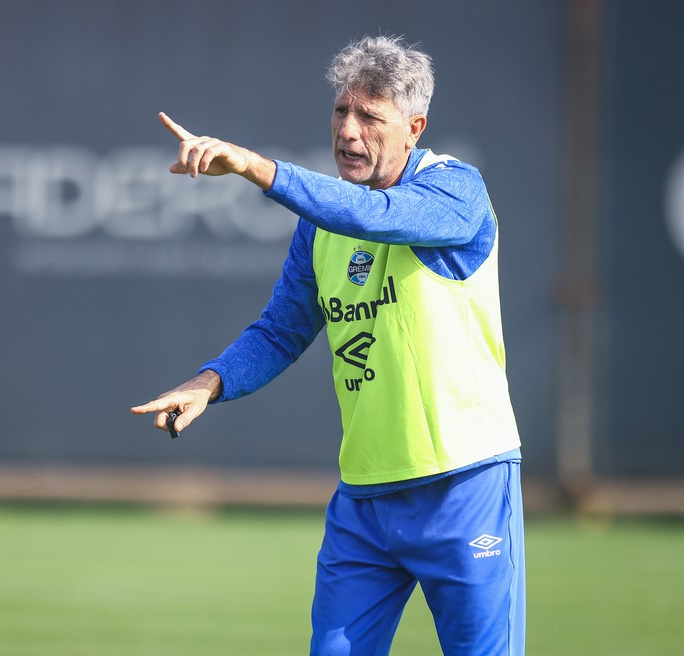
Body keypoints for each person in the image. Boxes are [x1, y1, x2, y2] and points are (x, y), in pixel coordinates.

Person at [131, 35, 524, 656]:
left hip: (463, 488)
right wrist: (208, 383)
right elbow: (281, 330)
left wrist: (254, 167)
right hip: (364, 501)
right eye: (342, 111)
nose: (349, 131)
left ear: (414, 128)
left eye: (371, 117)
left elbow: (373, 216)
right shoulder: (319, 226)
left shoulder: (456, 191)